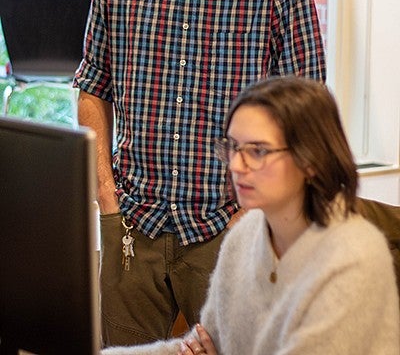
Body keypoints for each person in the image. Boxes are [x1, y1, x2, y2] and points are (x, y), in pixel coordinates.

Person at [73, 0, 326, 347]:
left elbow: (307, 112)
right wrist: (105, 195)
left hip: (228, 225)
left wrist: (254, 212)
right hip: (132, 222)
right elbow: (93, 84)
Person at [102, 76, 400, 355]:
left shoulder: (354, 258)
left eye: (257, 151)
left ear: (311, 159)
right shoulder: (246, 235)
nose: (236, 165)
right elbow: (198, 346)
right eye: (233, 147)